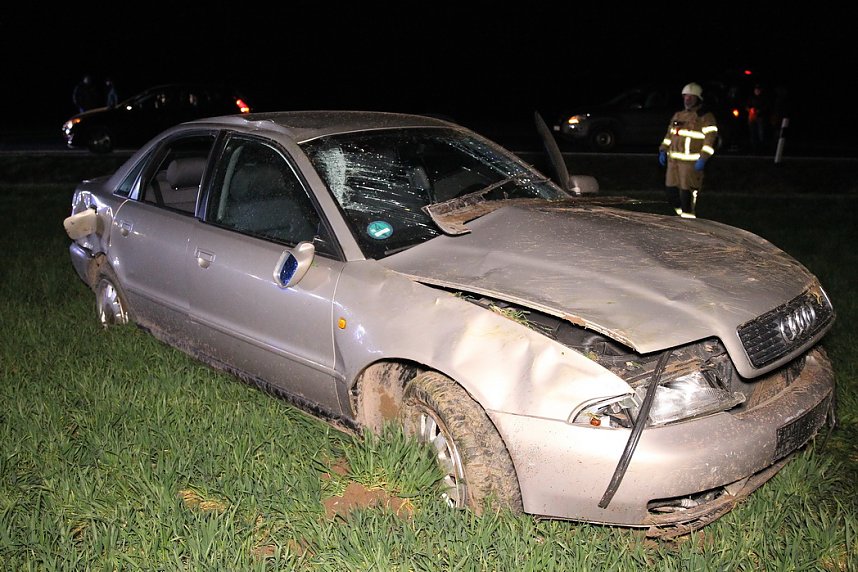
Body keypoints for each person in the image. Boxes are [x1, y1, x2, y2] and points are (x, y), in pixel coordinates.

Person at [658, 82, 718, 218]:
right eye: (685, 96)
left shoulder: (705, 117)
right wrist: (663, 149)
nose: (688, 99)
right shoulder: (678, 115)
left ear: (698, 99)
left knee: (687, 195)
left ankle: (689, 222)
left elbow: (709, 141)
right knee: (671, 193)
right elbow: (669, 135)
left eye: (691, 96)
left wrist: (703, 158)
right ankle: (682, 218)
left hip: (690, 164)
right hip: (673, 162)